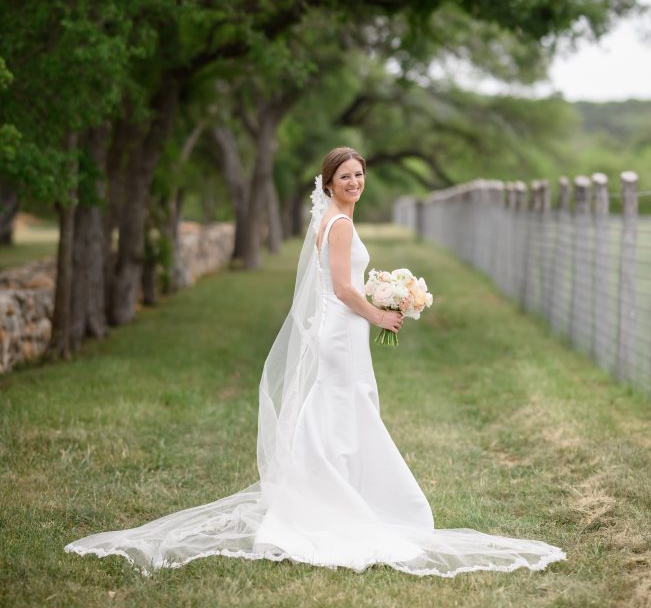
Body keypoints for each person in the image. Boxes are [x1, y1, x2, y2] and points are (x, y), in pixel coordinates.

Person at [64, 146, 566, 577]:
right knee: (348, 408)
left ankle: (332, 493)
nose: (354, 181)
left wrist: (379, 301)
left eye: (359, 174)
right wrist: (380, 314)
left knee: (339, 409)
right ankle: (340, 505)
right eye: (345, 176)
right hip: (343, 330)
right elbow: (345, 288)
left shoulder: (330, 221)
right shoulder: (340, 223)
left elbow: (336, 285)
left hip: (335, 329)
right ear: (328, 184)